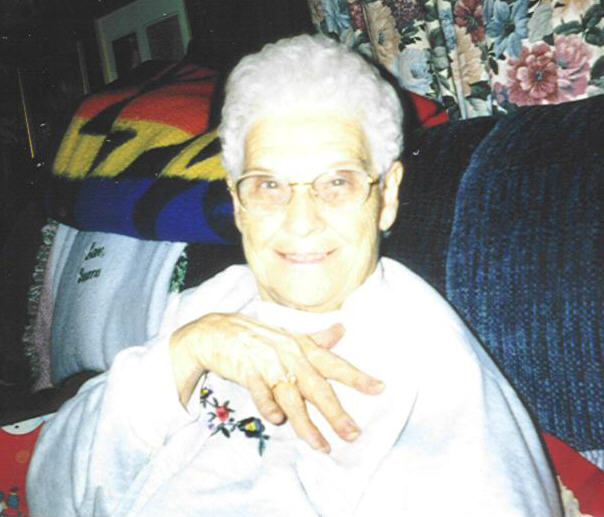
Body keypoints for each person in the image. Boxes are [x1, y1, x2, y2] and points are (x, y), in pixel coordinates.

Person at [27, 35, 562, 516]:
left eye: (336, 183)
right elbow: (49, 491)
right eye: (269, 186)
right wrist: (182, 354)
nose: (301, 222)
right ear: (238, 204)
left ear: (387, 196)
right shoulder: (214, 304)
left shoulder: (428, 369)